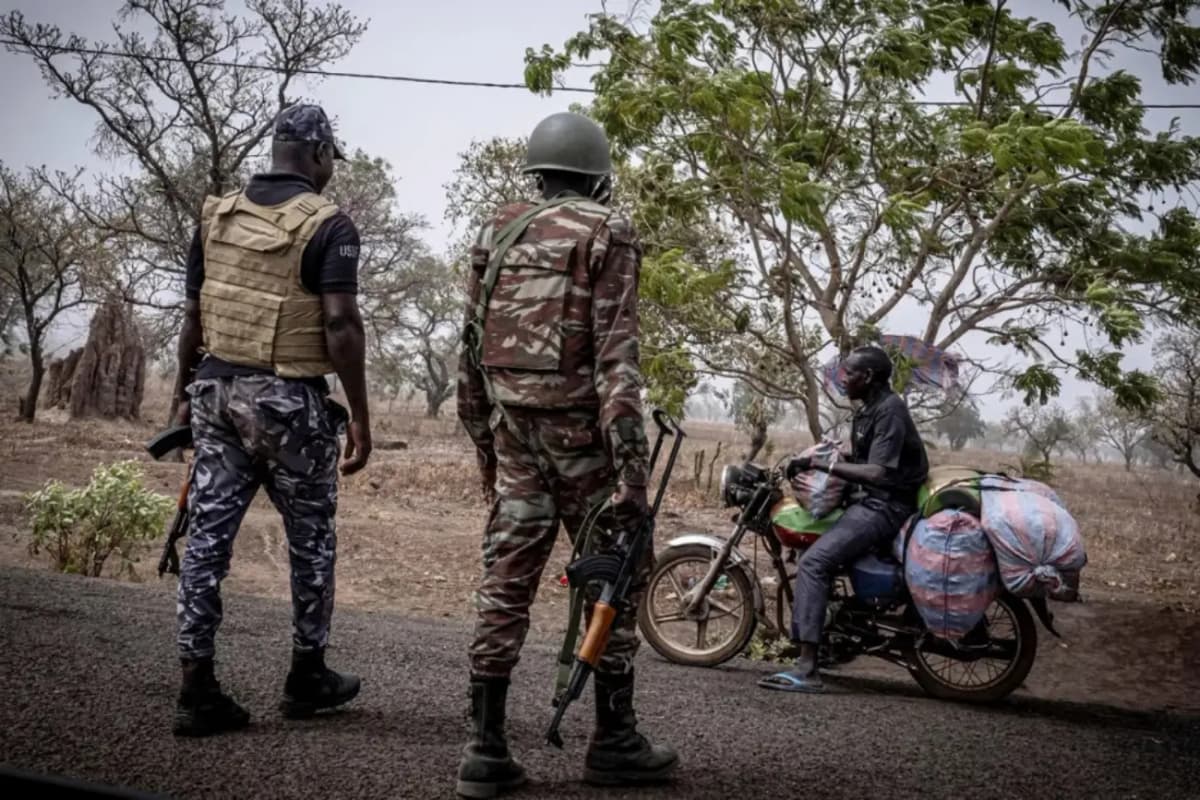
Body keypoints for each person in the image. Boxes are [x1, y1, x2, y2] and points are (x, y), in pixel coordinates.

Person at [455, 111, 677, 797]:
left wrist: (485, 446)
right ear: (599, 176)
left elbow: (468, 350)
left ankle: (484, 749)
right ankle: (613, 740)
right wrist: (633, 476)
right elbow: (618, 361)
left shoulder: (497, 227)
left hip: (515, 436)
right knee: (612, 575)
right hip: (584, 445)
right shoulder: (608, 231)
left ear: (538, 171)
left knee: (506, 582)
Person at [170, 103, 372, 736]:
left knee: (206, 540)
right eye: (332, 156)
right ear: (318, 155)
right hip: (288, 405)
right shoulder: (330, 226)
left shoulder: (216, 216)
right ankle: (306, 676)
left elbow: (194, 320)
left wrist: (181, 392)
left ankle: (196, 687)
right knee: (310, 539)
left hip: (215, 392)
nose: (332, 167)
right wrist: (361, 415)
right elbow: (340, 324)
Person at [759, 346, 929, 693]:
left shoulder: (890, 410)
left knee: (814, 562)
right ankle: (831, 637)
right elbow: (861, 454)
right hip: (871, 501)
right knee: (814, 554)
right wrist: (816, 454)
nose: (843, 378)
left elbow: (878, 472)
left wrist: (822, 465)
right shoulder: (870, 409)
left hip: (885, 506)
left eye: (849, 373)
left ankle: (807, 670)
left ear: (868, 377)